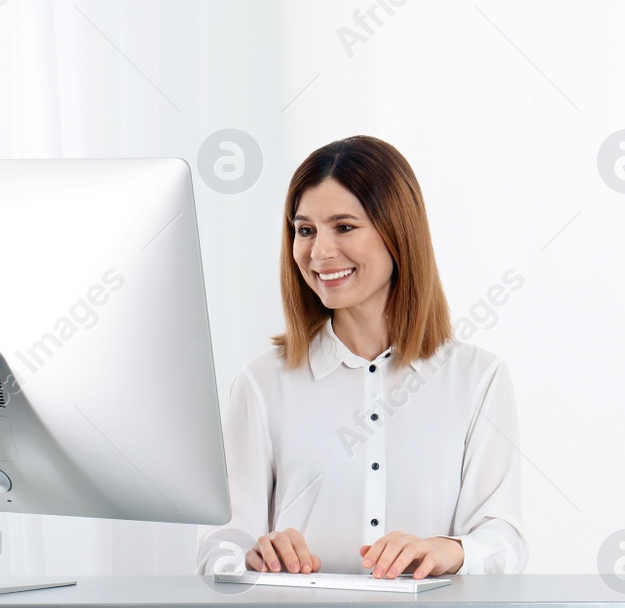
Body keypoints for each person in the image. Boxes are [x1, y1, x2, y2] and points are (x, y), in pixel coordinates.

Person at [196, 136, 526, 579]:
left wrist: (449, 551)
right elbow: (220, 546)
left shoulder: (478, 379)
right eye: (305, 230)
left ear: (398, 232)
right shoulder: (260, 384)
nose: (319, 253)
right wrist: (251, 556)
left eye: (344, 227)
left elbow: (504, 542)